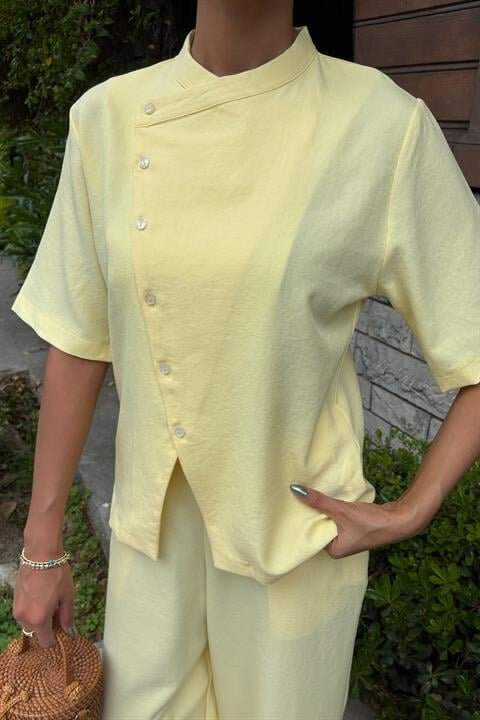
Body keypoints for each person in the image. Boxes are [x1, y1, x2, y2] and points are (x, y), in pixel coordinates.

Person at [10, 1, 480, 718]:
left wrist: (411, 510)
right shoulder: (106, 117)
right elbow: (78, 339)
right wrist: (41, 549)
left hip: (293, 549)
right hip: (148, 552)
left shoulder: (380, 125)